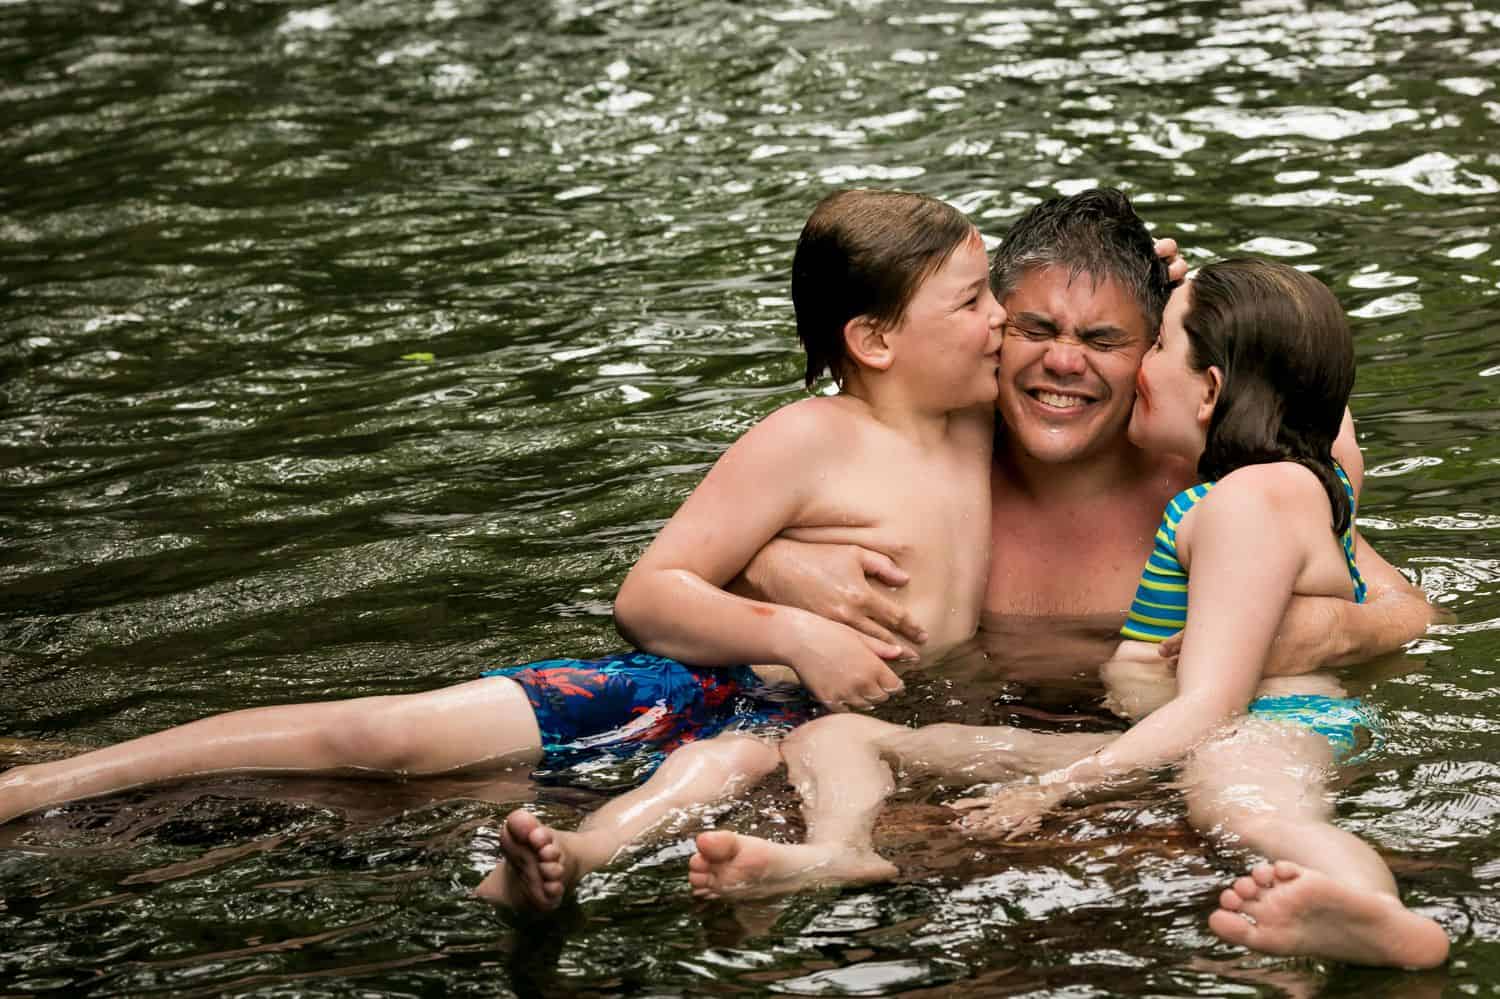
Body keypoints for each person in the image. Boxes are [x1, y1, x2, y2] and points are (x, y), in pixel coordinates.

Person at [0, 189, 1090, 913]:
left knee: (716, 776)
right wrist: (796, 624)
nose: (1004, 321)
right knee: (382, 731)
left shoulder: (984, 409)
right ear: (876, 339)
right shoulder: (808, 440)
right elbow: (649, 592)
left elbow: (1107, 333)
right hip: (701, 678)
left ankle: (565, 866)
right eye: (974, 300)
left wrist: (1138, 279)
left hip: (803, 732)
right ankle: (59, 776)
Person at [690, 258, 1450, 970]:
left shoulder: (1249, 500)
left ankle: (1377, 912)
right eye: (1036, 328)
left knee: (1253, 811)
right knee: (843, 737)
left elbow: (1216, 701)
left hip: (1249, 733)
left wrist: (1057, 788)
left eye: (1140, 343)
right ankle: (838, 849)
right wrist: (769, 560)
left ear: (1211, 390)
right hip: (1166, 741)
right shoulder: (1252, 489)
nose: (1097, 366)